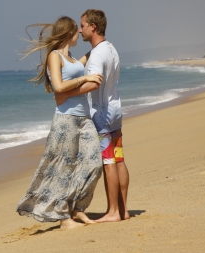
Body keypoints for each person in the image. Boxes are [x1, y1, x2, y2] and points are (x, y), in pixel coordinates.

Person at [16, 16, 104, 229]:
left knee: (94, 164)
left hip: (84, 118)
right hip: (65, 120)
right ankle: (65, 219)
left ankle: (77, 208)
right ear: (69, 33)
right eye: (77, 31)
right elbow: (58, 87)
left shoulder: (73, 59)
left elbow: (84, 61)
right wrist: (84, 79)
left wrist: (101, 45)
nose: (79, 35)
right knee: (64, 169)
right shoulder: (55, 56)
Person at [54, 9, 130, 222]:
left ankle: (113, 211)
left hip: (101, 114)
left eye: (83, 25)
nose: (80, 30)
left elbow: (93, 82)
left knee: (109, 162)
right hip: (115, 110)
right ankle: (123, 210)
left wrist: (66, 94)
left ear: (93, 27)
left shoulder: (97, 54)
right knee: (119, 159)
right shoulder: (110, 48)